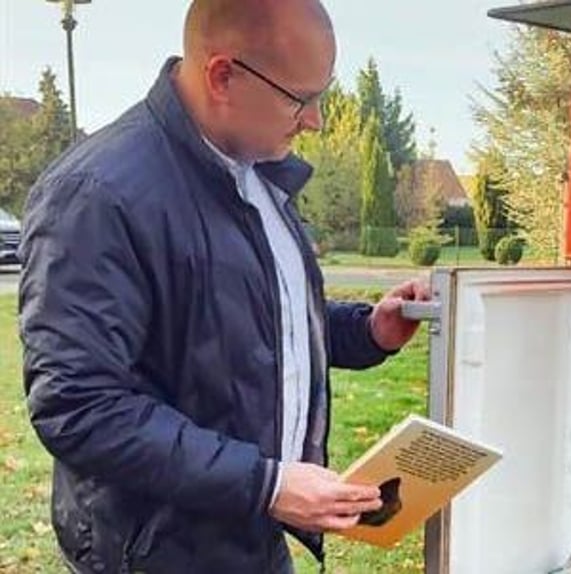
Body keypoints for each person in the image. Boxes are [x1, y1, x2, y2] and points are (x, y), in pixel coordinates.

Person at [17, 0, 429, 571]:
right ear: (222, 75)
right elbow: (79, 406)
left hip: (251, 537)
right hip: (153, 553)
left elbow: (255, 322)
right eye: (300, 99)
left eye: (321, 96)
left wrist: (367, 332)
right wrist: (267, 485)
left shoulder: (253, 172)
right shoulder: (97, 196)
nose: (315, 121)